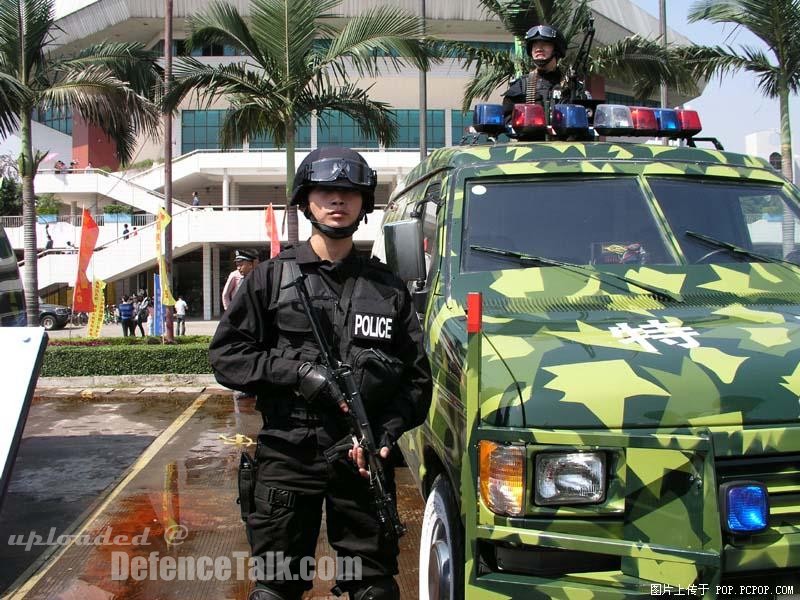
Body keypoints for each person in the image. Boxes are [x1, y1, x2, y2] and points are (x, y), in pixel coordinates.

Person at [209, 146, 432, 600]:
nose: (338, 201)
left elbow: (416, 378)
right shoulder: (270, 279)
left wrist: (385, 434)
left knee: (374, 587)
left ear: (365, 205)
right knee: (275, 587)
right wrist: (297, 373)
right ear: (306, 200)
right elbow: (227, 357)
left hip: (361, 456)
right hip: (288, 453)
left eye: (350, 193)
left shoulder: (387, 287)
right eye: (326, 191)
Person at [502, 24, 568, 124]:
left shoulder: (571, 86)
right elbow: (507, 119)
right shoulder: (521, 85)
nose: (538, 49)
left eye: (545, 44)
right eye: (535, 45)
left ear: (557, 49)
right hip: (531, 139)